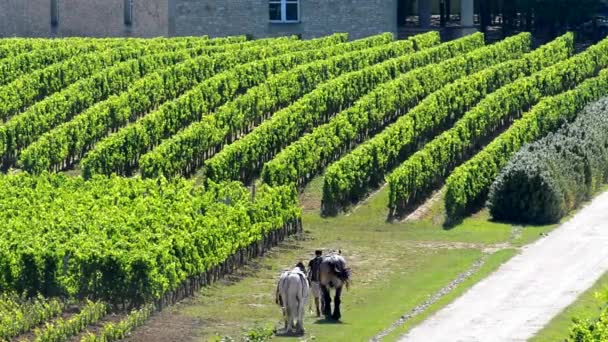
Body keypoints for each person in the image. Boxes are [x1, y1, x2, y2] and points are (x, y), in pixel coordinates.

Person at [307, 250, 323, 317]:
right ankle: (323, 309)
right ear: (321, 254)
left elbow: (309, 271)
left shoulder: (311, 261)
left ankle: (318, 311)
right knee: (323, 297)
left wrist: (308, 281)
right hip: (323, 281)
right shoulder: (324, 261)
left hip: (314, 281)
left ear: (315, 254)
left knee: (316, 297)